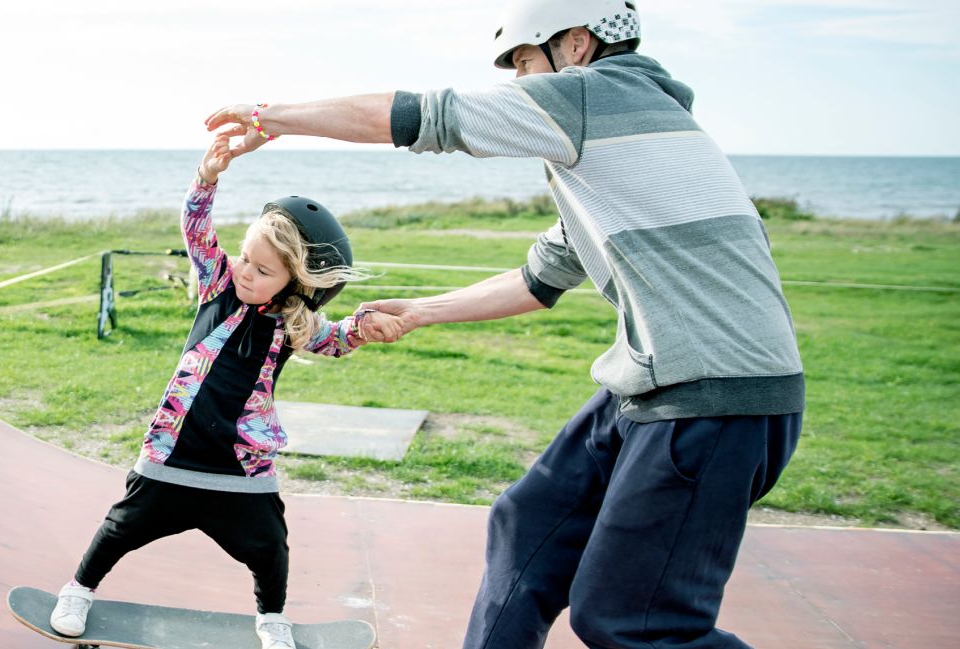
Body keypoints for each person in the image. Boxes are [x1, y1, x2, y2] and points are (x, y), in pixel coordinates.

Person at [202, 1, 804, 648]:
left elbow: (416, 117)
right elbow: (538, 280)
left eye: (523, 61)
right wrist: (422, 311)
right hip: (659, 382)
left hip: (715, 396)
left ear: (576, 45)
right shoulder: (629, 142)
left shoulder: (589, 97)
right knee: (527, 523)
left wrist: (275, 116)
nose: (520, 82)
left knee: (633, 622)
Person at [50, 131, 386, 649]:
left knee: (270, 544)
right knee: (121, 526)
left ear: (295, 282)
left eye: (262, 269)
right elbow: (197, 229)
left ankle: (272, 618)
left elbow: (337, 338)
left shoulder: (294, 323)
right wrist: (207, 178)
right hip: (174, 451)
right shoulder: (218, 284)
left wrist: (366, 328)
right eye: (246, 258)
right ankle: (78, 589)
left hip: (241, 467)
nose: (245, 270)